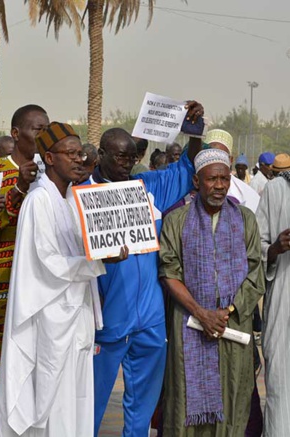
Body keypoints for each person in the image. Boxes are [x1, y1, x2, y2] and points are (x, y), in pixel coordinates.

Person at [90, 101, 204, 437]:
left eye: (130, 157)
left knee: (141, 407)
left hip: (150, 321)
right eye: (119, 157)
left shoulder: (148, 187)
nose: (126, 164)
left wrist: (193, 131)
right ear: (100, 154)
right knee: (91, 404)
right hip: (106, 323)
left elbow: (186, 168)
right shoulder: (82, 194)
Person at [0, 122, 113, 437]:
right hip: (50, 318)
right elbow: (48, 264)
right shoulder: (38, 201)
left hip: (78, 313)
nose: (78, 159)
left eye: (80, 153)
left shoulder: (74, 198)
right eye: (70, 154)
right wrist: (98, 261)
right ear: (49, 157)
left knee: (77, 399)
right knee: (51, 404)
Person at [159, 148, 264, 435]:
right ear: (196, 181)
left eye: (224, 179)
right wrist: (201, 314)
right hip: (190, 325)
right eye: (211, 179)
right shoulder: (176, 221)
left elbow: (255, 274)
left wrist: (226, 312)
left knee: (232, 399)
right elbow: (169, 272)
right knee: (185, 401)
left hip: (233, 324)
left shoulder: (245, 220)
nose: (219, 186)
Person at [0, 104, 49, 436]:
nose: (43, 136)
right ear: (17, 134)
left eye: (47, 128)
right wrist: (18, 188)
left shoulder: (52, 173)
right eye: (37, 129)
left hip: (41, 291)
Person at [256, 153, 290, 435]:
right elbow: (256, 245)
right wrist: (276, 248)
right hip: (284, 299)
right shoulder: (277, 189)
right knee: (281, 380)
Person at [206, 129, 260, 213]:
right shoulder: (190, 192)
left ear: (230, 160)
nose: (216, 161)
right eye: (211, 155)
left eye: (221, 156)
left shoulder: (247, 195)